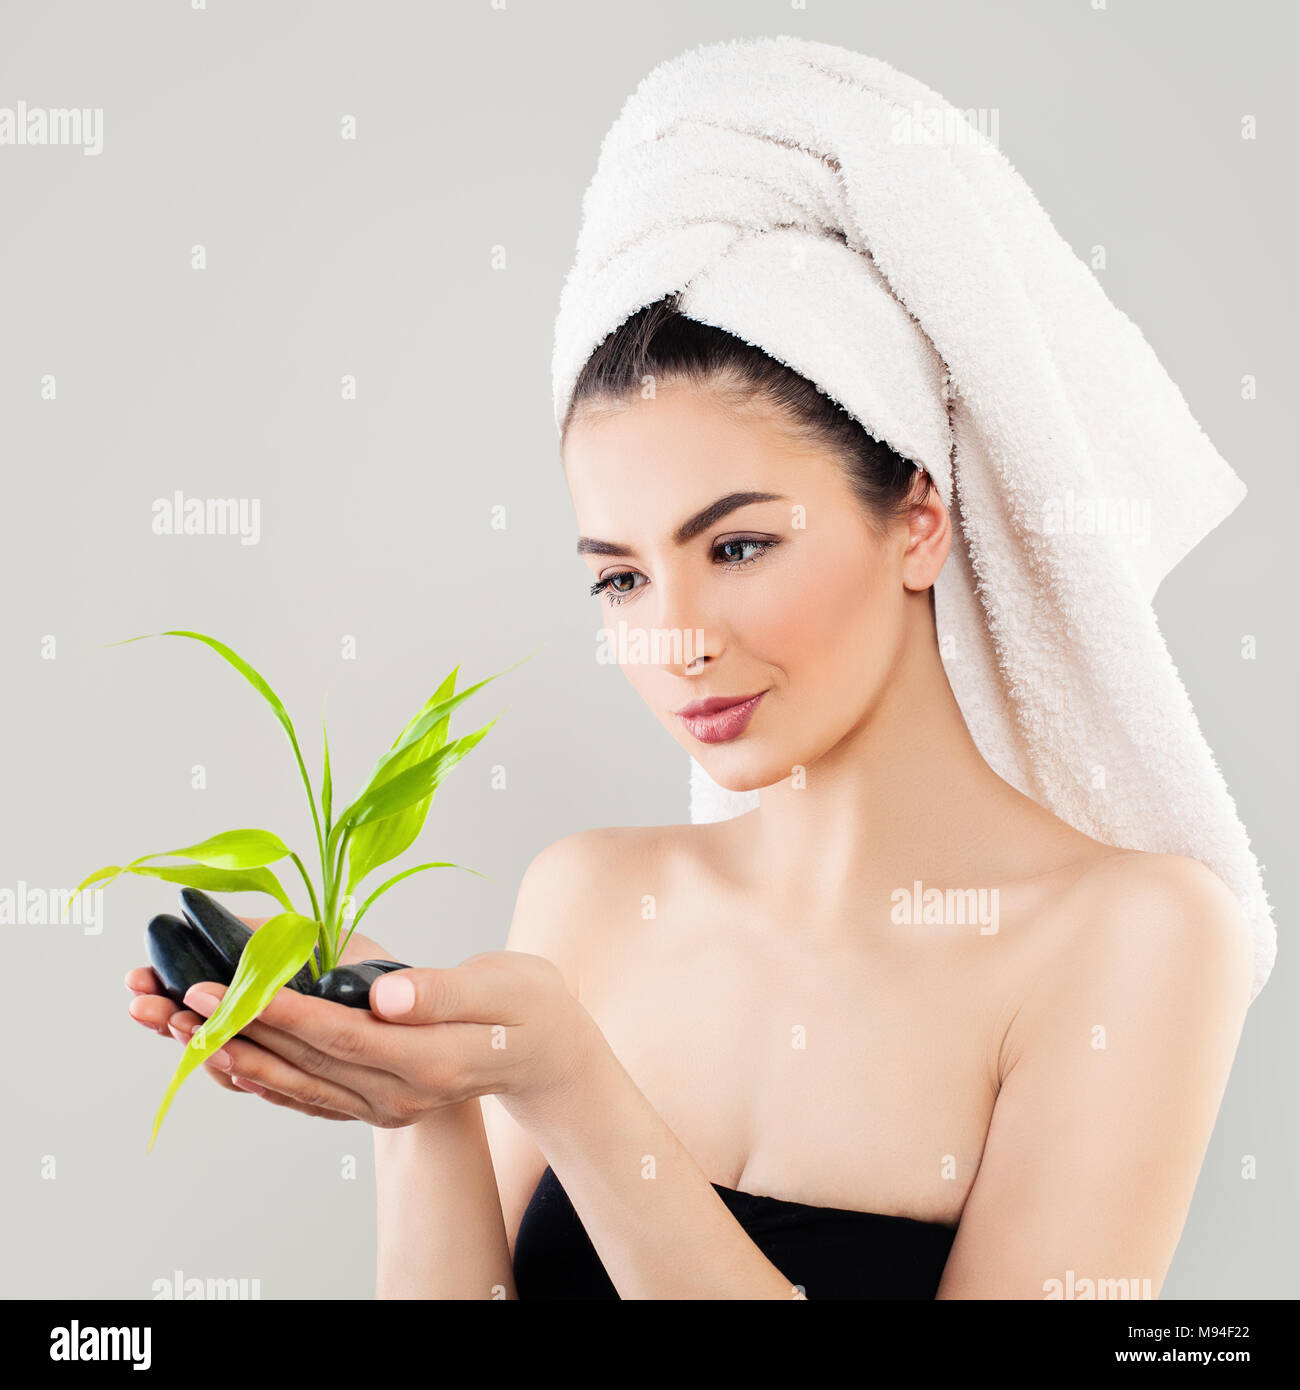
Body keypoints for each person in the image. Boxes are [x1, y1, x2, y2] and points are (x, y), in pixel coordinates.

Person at [124, 294, 1254, 1299]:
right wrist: (417, 1102)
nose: (671, 638)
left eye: (740, 544)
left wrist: (570, 1084)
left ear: (917, 518)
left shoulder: (1134, 937)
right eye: (621, 577)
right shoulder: (592, 894)